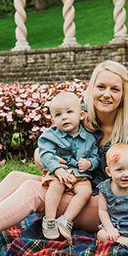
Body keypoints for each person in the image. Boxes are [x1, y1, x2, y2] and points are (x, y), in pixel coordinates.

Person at [0, 60, 128, 246]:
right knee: (16, 177)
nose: (106, 94)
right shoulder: (78, 115)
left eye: (115, 89)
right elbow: (46, 146)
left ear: (123, 95)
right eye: (101, 86)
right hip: (71, 184)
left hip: (102, 205)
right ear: (91, 89)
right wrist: (43, 158)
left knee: (33, 190)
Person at [37, 91, 99, 240]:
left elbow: (96, 156)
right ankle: (49, 220)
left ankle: (66, 220)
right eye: (58, 115)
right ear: (53, 119)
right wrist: (57, 169)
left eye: (69, 112)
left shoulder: (89, 137)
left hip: (81, 176)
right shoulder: (51, 135)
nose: (64, 117)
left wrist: (89, 163)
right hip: (60, 172)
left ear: (81, 114)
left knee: (85, 192)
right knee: (56, 186)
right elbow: (45, 154)